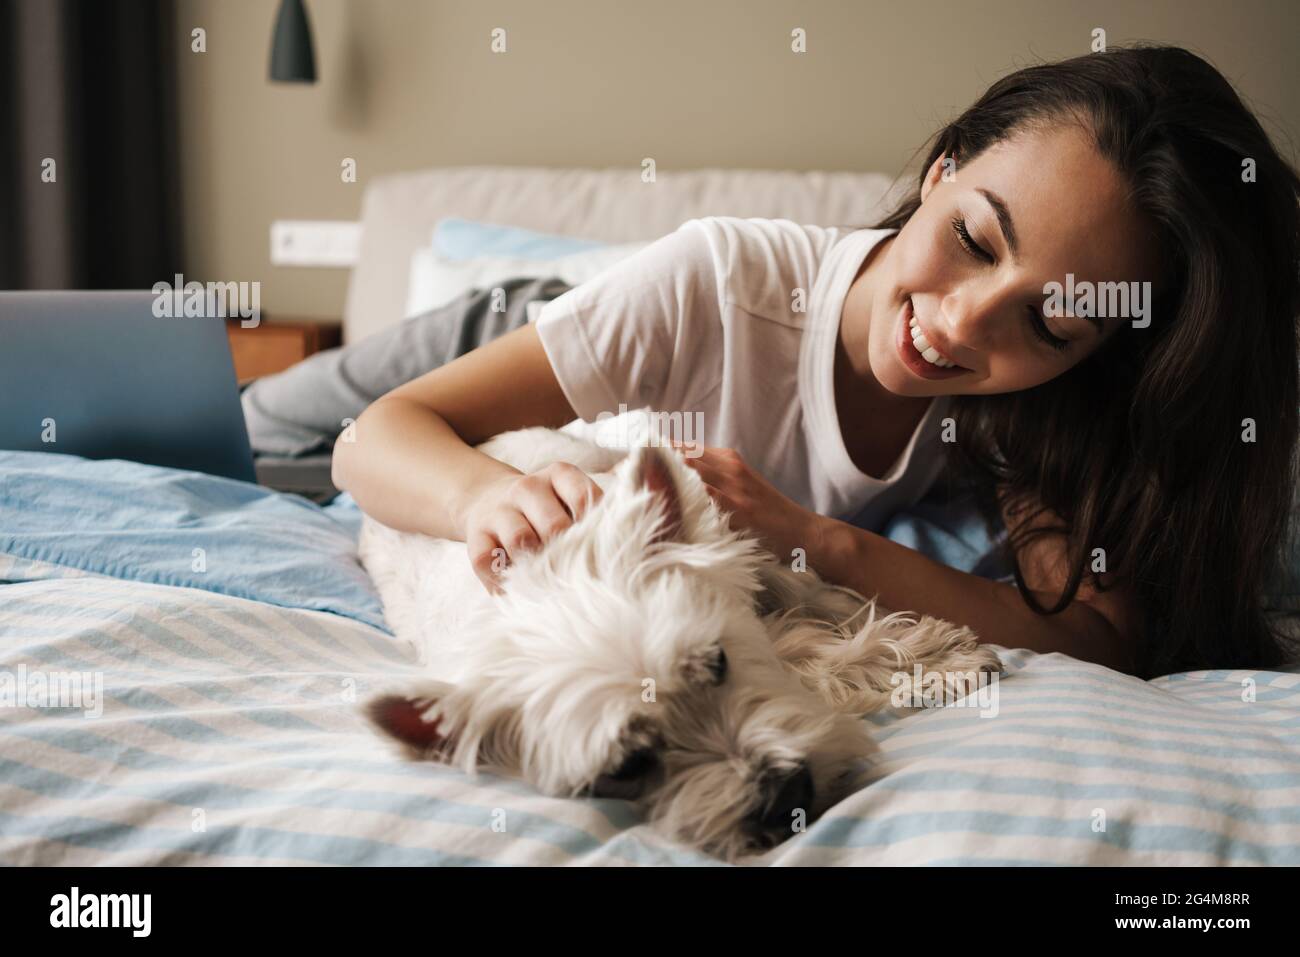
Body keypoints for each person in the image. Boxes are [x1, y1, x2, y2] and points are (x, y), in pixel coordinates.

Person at [332, 45, 1300, 679]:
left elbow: (1096, 637)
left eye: (1046, 323)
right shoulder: (709, 280)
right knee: (266, 425)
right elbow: (374, 437)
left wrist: (817, 540)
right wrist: (478, 499)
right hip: (531, 323)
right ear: (941, 170)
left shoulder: (1032, 403)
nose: (962, 327)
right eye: (971, 238)